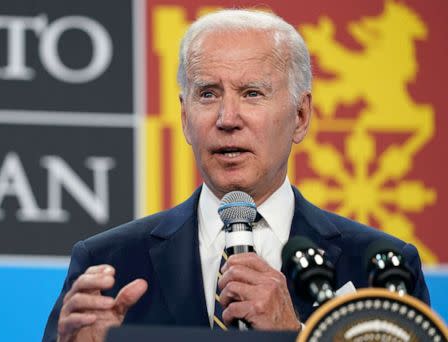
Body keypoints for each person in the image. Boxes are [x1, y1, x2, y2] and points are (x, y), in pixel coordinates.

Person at [42, 9, 430, 342]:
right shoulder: (109, 264)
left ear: (300, 115)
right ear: (184, 117)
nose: (227, 119)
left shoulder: (383, 269)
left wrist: (296, 334)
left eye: (252, 94)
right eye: (208, 94)